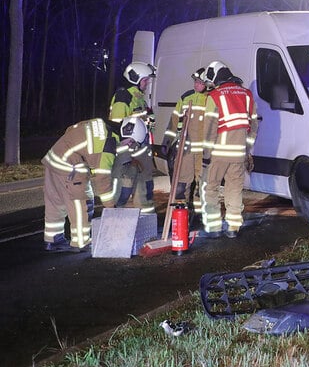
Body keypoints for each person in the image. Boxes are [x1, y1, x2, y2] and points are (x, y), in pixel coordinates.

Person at [41, 117, 146, 252]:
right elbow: (102, 179)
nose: (129, 146)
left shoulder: (101, 124)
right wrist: (110, 206)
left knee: (56, 203)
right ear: (128, 137)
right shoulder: (107, 146)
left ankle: (53, 240)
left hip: (53, 159)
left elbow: (71, 130)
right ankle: (81, 242)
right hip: (71, 166)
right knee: (82, 202)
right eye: (131, 142)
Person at [199, 60, 259, 238]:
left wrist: (206, 155)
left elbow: (210, 128)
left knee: (211, 188)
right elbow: (253, 126)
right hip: (238, 153)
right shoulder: (246, 94)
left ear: (215, 77)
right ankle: (233, 227)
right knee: (234, 189)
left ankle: (214, 227)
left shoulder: (214, 96)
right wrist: (246, 150)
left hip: (218, 153)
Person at [109, 61, 157, 215]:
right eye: (145, 80)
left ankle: (146, 218)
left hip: (141, 151)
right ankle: (115, 218)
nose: (147, 83)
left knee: (144, 188)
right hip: (128, 152)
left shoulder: (139, 98)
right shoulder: (123, 97)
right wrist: (126, 153)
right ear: (135, 79)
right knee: (123, 189)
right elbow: (116, 126)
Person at [162, 68, 209, 216]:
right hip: (186, 150)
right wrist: (167, 141)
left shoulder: (211, 99)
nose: (196, 85)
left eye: (200, 82)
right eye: (195, 82)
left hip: (203, 152)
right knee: (182, 184)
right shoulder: (186, 97)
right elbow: (174, 120)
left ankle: (200, 216)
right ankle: (181, 215)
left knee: (202, 185)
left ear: (207, 84)